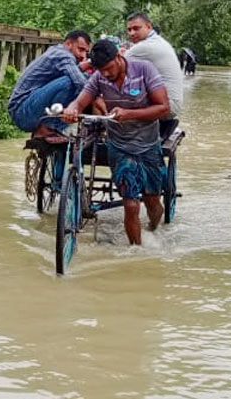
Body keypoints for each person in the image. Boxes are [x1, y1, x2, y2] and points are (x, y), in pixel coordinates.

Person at [62, 39, 171, 246]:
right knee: (130, 204)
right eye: (100, 70)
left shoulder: (144, 70)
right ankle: (136, 251)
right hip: (120, 146)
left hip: (148, 145)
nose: (105, 74)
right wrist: (72, 109)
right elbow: (81, 100)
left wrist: (129, 114)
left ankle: (153, 228)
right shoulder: (98, 78)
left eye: (108, 68)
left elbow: (163, 107)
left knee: (153, 202)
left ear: (119, 58)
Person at [8, 30, 93, 136]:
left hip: (28, 107)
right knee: (70, 82)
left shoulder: (57, 51)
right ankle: (50, 126)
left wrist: (81, 68)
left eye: (86, 52)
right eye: (80, 49)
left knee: (83, 78)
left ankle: (54, 125)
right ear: (68, 44)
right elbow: (80, 83)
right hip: (22, 111)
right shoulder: (63, 55)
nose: (83, 55)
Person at [123, 11, 184, 138]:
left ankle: (108, 135)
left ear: (149, 26)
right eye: (129, 30)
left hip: (165, 107)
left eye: (136, 28)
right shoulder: (159, 42)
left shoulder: (146, 47)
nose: (132, 33)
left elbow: (112, 64)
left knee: (105, 97)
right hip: (172, 105)